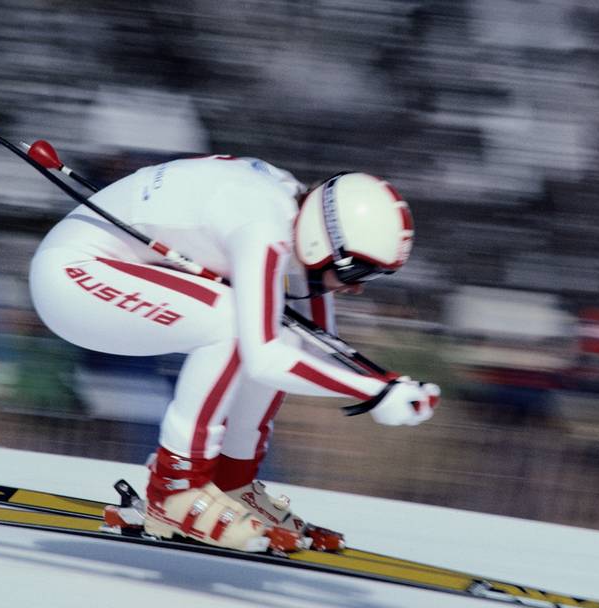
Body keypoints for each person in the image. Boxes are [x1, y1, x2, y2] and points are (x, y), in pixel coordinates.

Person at [29, 156, 440, 553]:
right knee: (232, 322)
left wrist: (385, 386)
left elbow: (314, 344)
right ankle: (175, 490)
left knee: (278, 328)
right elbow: (264, 358)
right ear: (323, 242)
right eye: (359, 272)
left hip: (111, 272)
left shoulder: (293, 216)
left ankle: (231, 482)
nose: (358, 288)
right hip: (70, 277)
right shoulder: (263, 226)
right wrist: (373, 392)